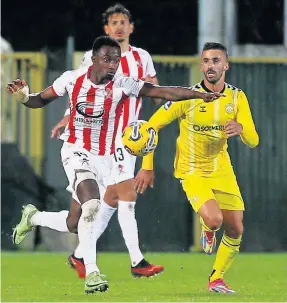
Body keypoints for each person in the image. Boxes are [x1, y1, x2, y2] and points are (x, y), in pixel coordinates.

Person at [8, 36, 221, 294]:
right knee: (93, 204)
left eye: (116, 60)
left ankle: (34, 216)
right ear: (94, 59)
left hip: (103, 160)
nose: (112, 65)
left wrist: (199, 95)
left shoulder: (123, 84)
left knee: (75, 223)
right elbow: (39, 99)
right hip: (75, 150)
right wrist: (22, 96)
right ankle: (93, 272)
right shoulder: (71, 79)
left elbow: (161, 91)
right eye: (107, 59)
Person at [49, 3, 164, 279]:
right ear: (106, 29)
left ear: (131, 27)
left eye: (123, 22)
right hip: (107, 137)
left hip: (132, 137)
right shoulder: (94, 56)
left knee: (107, 201)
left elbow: (154, 88)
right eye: (114, 22)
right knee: (126, 196)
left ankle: (79, 256)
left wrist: (163, 101)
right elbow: (80, 91)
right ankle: (137, 261)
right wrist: (67, 116)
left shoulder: (142, 57)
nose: (119, 27)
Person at [134, 42, 259, 293]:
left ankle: (216, 278)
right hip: (191, 169)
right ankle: (208, 226)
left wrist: (242, 130)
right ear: (201, 66)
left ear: (226, 65)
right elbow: (151, 127)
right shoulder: (186, 96)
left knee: (236, 227)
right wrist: (147, 166)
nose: (210, 65)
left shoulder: (237, 97)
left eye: (215, 60)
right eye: (205, 61)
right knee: (214, 219)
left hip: (222, 169)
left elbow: (254, 140)